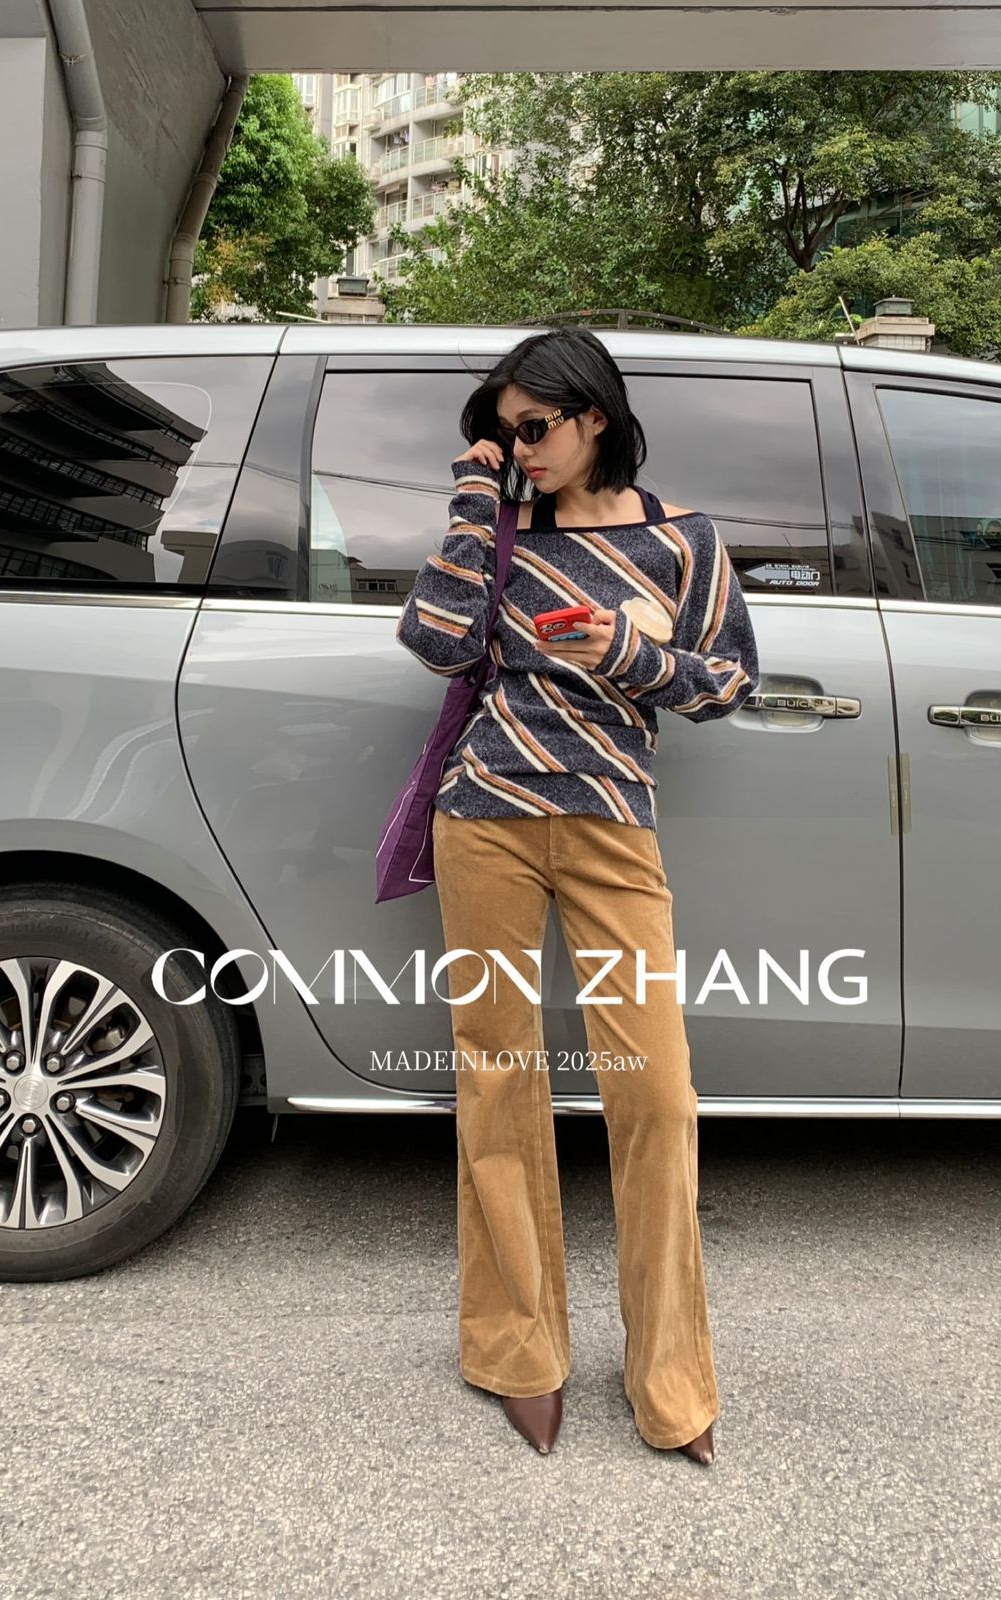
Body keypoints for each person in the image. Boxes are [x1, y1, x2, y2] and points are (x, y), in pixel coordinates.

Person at [394, 328, 760, 1464]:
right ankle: (516, 1348)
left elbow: (726, 683)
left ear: (595, 416)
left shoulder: (682, 540)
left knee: (655, 1094)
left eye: (535, 428)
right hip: (485, 820)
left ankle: (671, 1377)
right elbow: (434, 642)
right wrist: (473, 505)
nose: (521, 449)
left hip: (609, 826)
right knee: (498, 1078)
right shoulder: (500, 530)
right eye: (503, 434)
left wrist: (619, 652)